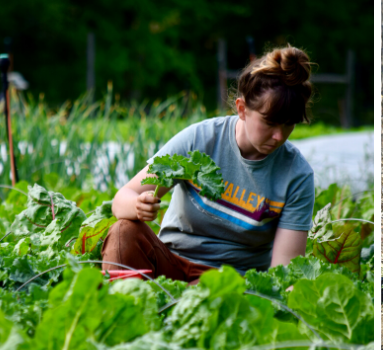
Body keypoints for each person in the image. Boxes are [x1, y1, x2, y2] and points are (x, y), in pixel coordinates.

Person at [102, 45, 315, 283]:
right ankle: (123, 310)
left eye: (288, 125)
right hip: (172, 264)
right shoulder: (200, 140)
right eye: (270, 123)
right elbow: (123, 198)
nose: (279, 136)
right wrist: (137, 205)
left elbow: (284, 271)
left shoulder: (296, 175)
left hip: (230, 284)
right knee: (124, 231)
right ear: (242, 109)